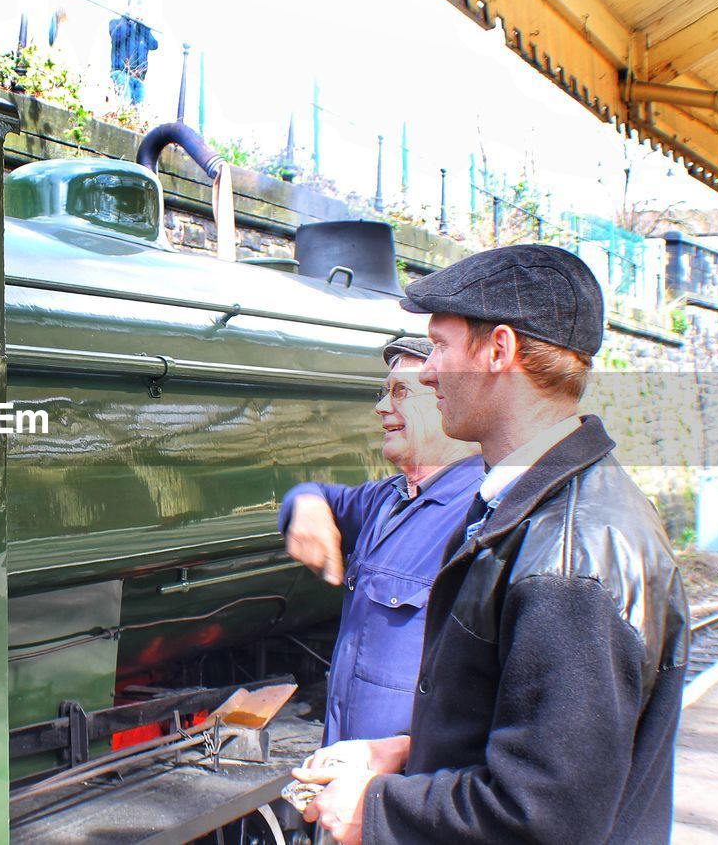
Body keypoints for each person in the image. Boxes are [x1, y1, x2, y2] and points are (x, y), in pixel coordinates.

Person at [292, 245, 689, 844]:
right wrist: (407, 751)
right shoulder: (535, 506)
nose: (427, 372)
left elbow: (544, 818)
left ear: (498, 351)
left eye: (442, 347)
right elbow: (529, 735)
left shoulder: (570, 559)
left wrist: (376, 810)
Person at [280, 337, 480, 746]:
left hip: (406, 786)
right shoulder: (387, 498)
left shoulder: (481, 515)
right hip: (346, 773)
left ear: (448, 398)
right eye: (383, 392)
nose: (382, 407)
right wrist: (304, 503)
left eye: (401, 391)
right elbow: (317, 493)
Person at [108, 1, 158, 105]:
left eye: (140, 9)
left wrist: (143, 27)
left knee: (139, 111)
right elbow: (116, 36)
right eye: (135, 8)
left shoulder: (142, 30)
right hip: (121, 73)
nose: (137, 11)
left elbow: (154, 45)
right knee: (124, 106)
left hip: (139, 78)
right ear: (128, 8)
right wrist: (129, 20)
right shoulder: (117, 23)